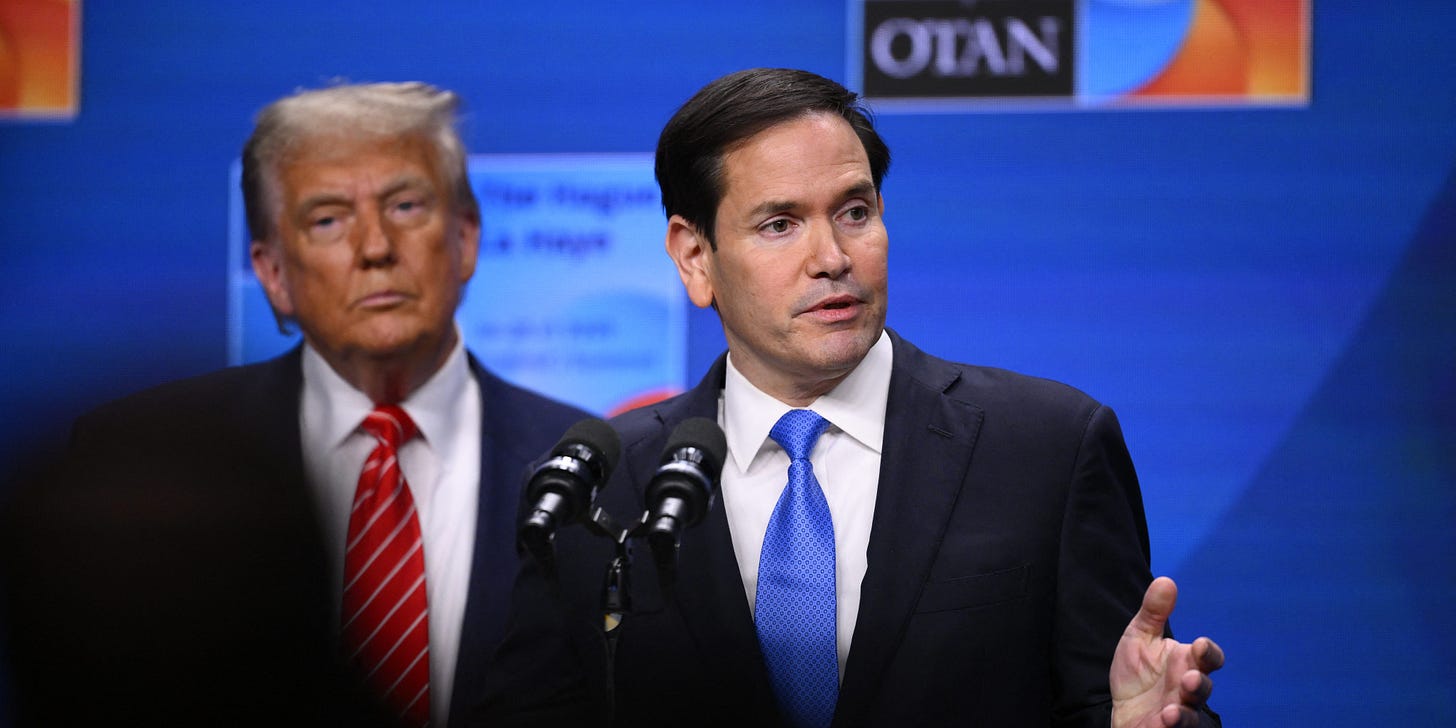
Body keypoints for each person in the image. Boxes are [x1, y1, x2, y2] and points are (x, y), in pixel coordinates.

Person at [480, 68, 1223, 727]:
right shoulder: (599, 490)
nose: (833, 258)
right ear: (695, 257)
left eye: (855, 212)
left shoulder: (1048, 447)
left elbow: (1116, 701)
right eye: (780, 224)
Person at [0, 82, 590, 728]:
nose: (375, 247)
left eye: (406, 205)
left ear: (466, 239)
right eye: (328, 219)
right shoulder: (143, 476)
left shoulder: (598, 468)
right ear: (274, 273)